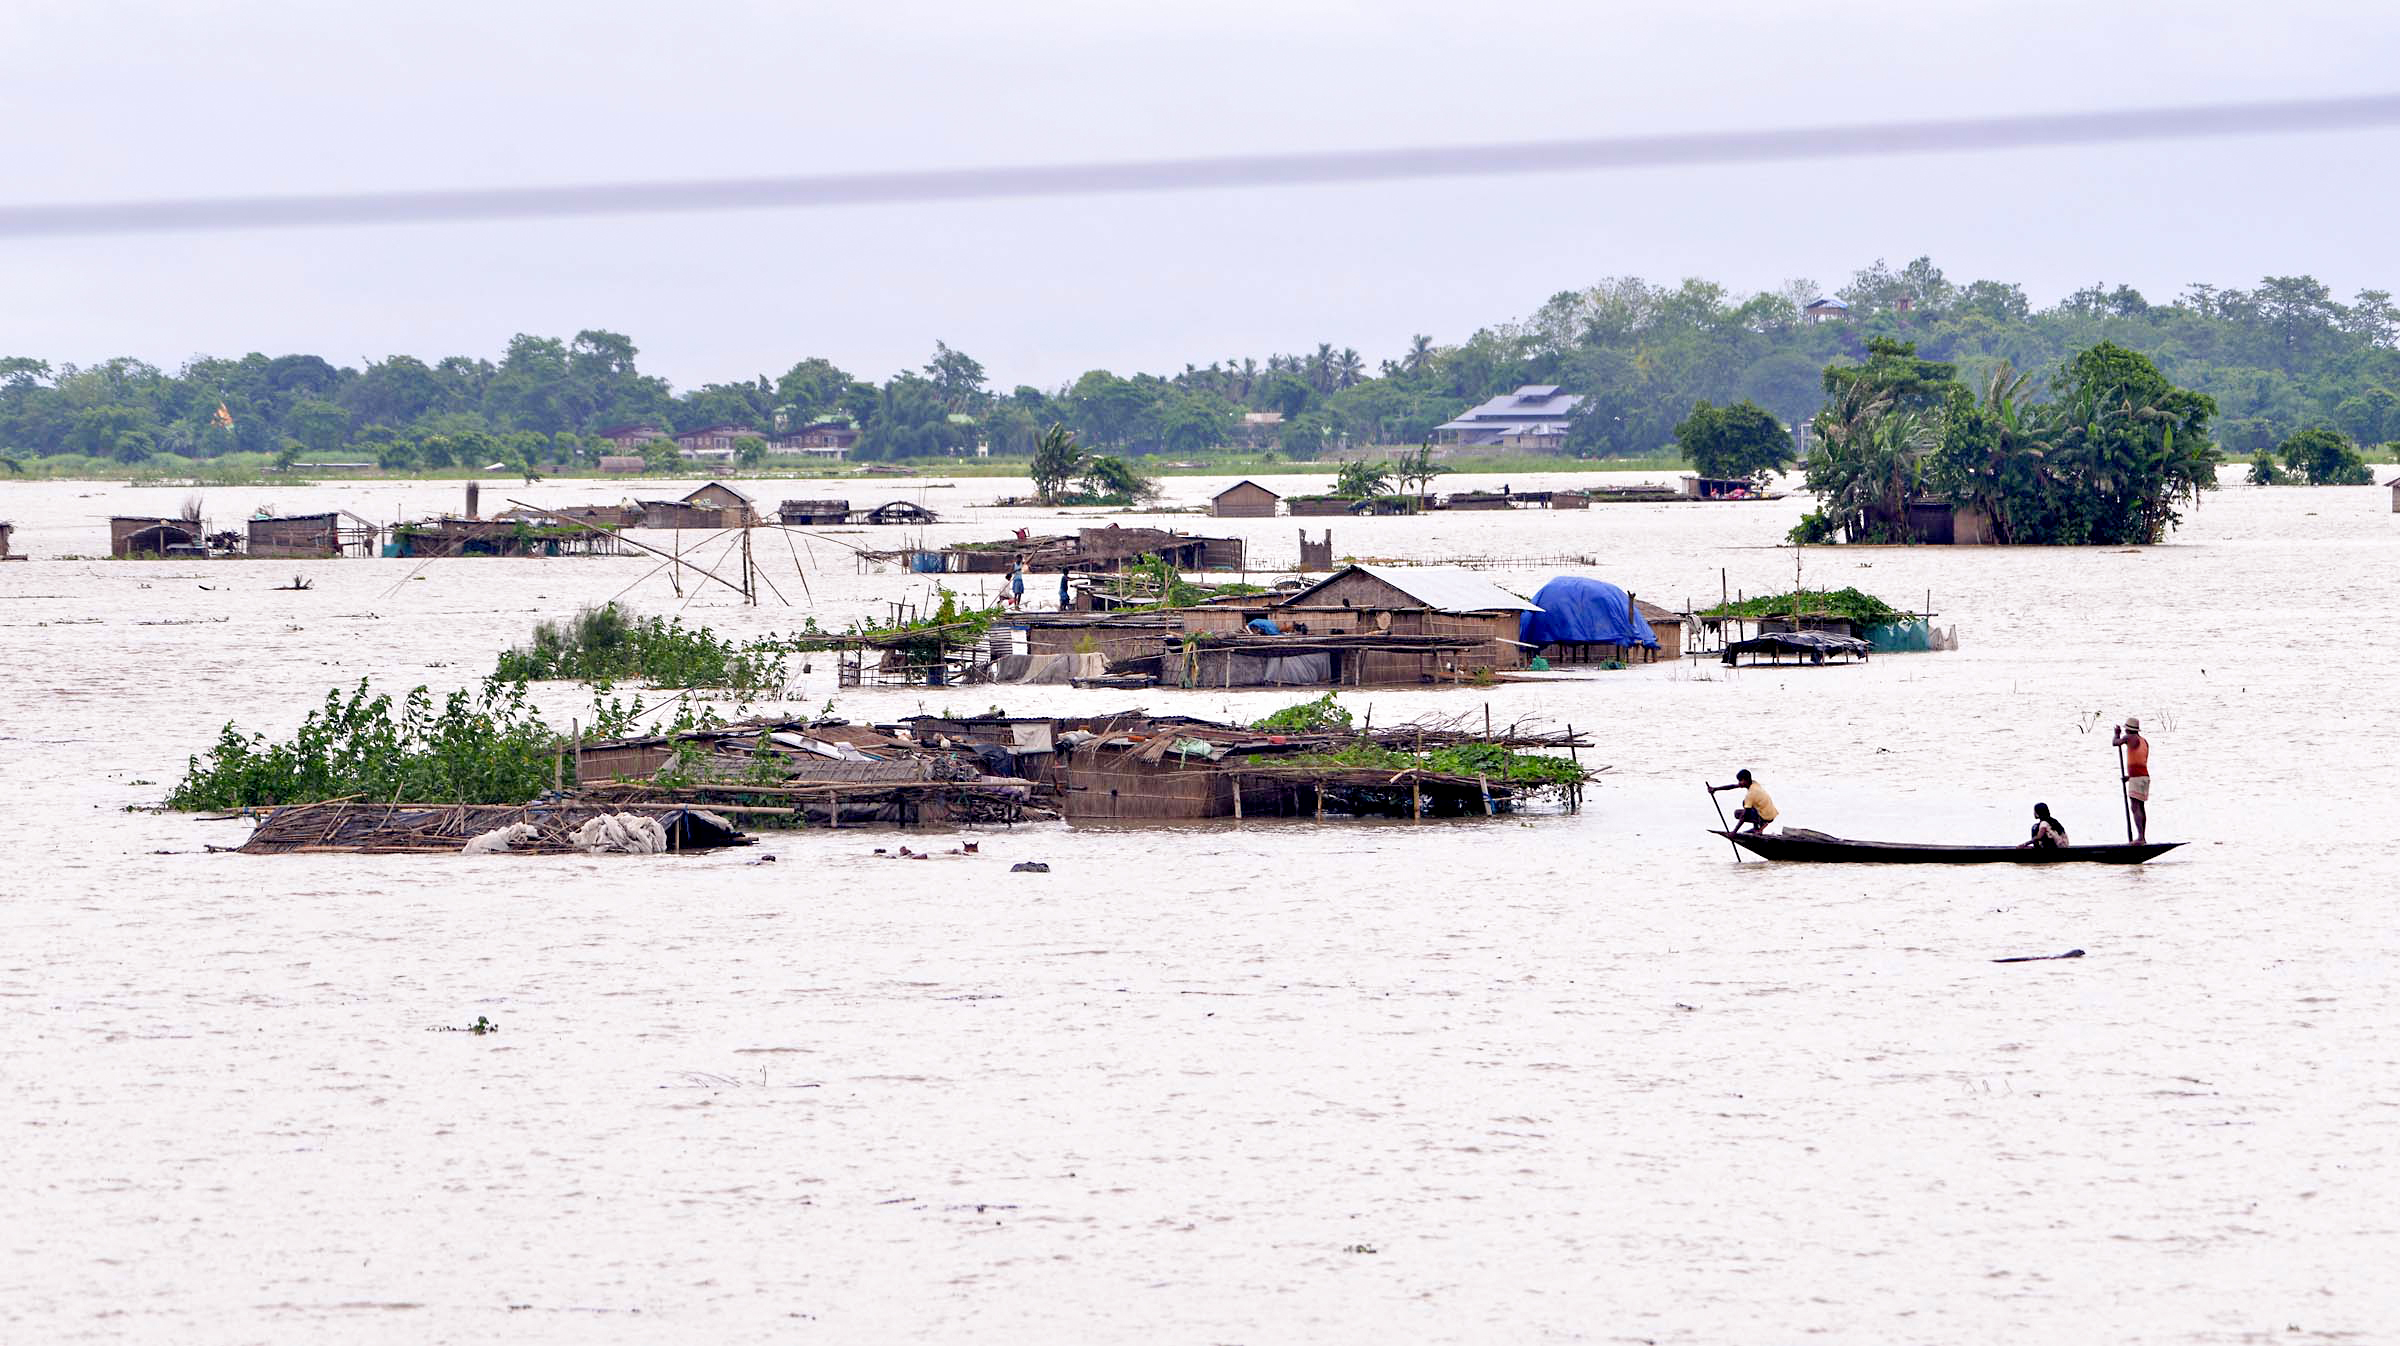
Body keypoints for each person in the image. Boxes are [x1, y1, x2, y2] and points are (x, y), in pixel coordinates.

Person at [2114, 716, 2151, 844]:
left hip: (2137, 778)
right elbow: (2139, 761)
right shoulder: (2144, 741)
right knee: (2140, 806)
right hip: (2144, 777)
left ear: (2128, 730)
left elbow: (2115, 742)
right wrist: (2129, 777)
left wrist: (2116, 734)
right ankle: (2142, 837)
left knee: (2135, 807)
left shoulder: (2129, 738)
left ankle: (2140, 838)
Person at [1708, 769, 1778, 833]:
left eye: (1741, 780)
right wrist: (1715, 789)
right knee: (1745, 803)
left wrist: (1734, 832)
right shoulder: (1754, 783)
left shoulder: (1751, 794)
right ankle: (1756, 828)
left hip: (1766, 817)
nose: (1739, 783)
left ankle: (1758, 827)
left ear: (1746, 780)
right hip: (1771, 813)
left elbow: (1744, 816)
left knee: (1738, 813)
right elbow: (1732, 786)